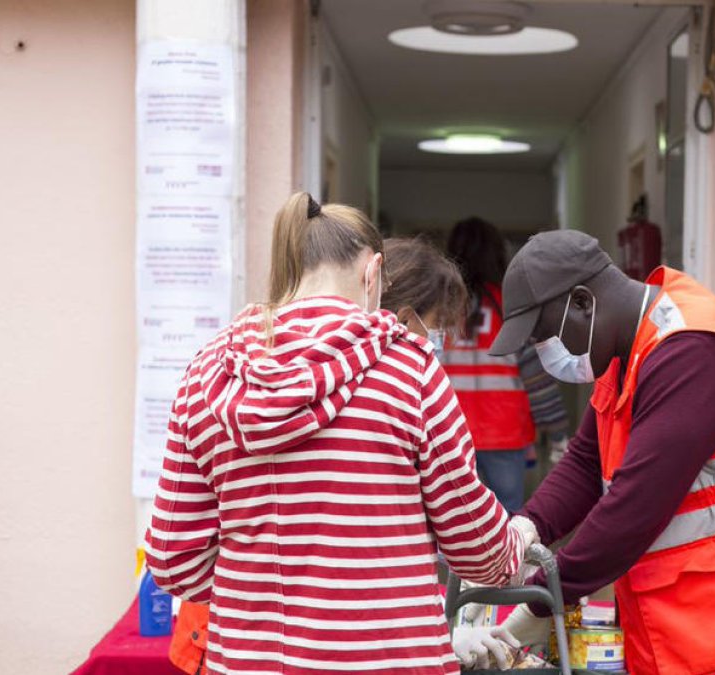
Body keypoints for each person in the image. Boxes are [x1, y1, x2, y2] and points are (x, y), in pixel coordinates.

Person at [144, 193, 537, 675]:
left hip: (246, 662)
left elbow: (171, 559)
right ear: (373, 274)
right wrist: (518, 536)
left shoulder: (206, 375)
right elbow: (478, 551)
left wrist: (253, 589)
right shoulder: (409, 371)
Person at [461, 230, 715, 675]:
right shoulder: (625, 349)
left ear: (582, 303)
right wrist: (521, 532)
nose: (545, 353)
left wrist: (539, 603)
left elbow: (636, 507)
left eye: (544, 336)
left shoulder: (692, 351)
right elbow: (584, 461)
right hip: (714, 619)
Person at [444, 217, 569, 513]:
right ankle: (503, 562)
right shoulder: (511, 309)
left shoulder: (440, 309)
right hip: (505, 433)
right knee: (507, 515)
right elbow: (537, 380)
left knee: (453, 519)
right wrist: (559, 432)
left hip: (448, 435)